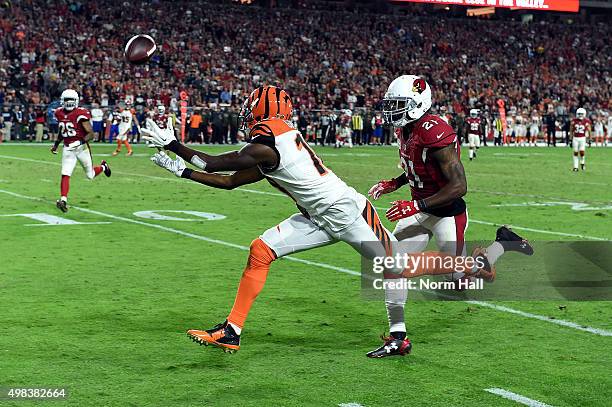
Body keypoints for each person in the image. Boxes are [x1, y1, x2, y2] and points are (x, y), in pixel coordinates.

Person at [143, 85, 530, 357]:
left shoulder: (268, 143)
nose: (247, 115)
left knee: (394, 267)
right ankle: (231, 331)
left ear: (263, 113)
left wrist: (173, 144)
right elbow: (228, 181)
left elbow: (215, 162)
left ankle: (477, 265)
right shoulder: (270, 145)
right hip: (315, 216)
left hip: (347, 211)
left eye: (252, 109)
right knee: (260, 250)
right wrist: (180, 171)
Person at [367, 75, 533, 357]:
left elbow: (459, 186)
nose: (392, 110)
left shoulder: (435, 131)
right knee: (392, 264)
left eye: (398, 104)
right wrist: (395, 183)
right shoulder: (406, 129)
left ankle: (501, 245)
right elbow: (418, 167)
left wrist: (415, 206)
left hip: (446, 213)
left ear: (417, 104)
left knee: (459, 281)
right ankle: (398, 336)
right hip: (420, 209)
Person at [50, 89, 111, 212]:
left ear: (76, 101)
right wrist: (56, 144)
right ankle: (63, 200)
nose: (69, 102)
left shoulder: (80, 113)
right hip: (68, 148)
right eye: (67, 100)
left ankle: (103, 167)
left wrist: (79, 142)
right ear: (62, 100)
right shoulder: (59, 113)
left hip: (81, 148)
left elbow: (91, 134)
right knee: (65, 173)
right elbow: (62, 131)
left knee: (90, 175)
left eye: (71, 100)